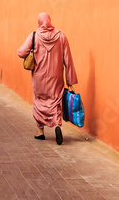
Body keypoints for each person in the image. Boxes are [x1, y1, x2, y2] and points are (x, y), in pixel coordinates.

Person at [17, 13, 78, 145]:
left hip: (39, 77)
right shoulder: (61, 36)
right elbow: (68, 59)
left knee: (39, 100)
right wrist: (70, 80)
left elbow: (22, 53)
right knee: (55, 100)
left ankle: (41, 132)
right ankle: (57, 125)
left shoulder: (34, 35)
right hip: (56, 77)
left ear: (39, 22)